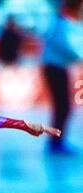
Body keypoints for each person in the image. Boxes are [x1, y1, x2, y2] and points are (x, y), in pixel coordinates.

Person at [42, 0, 83, 154]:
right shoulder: (62, 25)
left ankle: (57, 141)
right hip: (55, 68)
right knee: (63, 107)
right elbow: (68, 47)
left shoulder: (65, 24)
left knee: (63, 107)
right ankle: (56, 142)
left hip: (58, 68)